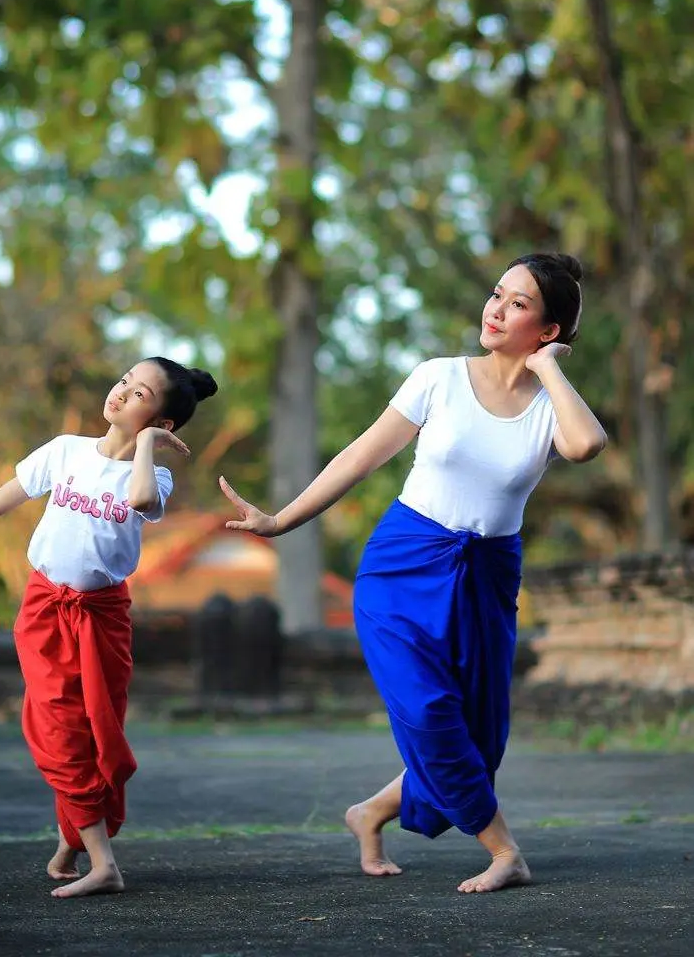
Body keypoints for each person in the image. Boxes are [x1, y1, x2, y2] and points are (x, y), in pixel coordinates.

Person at [220, 253, 606, 894]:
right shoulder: (439, 378)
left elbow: (586, 446)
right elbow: (359, 458)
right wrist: (282, 521)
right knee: (429, 713)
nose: (495, 308)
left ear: (548, 330)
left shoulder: (550, 408)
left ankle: (369, 813)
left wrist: (546, 370)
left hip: (487, 576)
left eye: (517, 304)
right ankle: (505, 850)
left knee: (478, 736)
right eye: (496, 294)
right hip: (403, 565)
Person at [0, 356, 218, 899]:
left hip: (103, 617)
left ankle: (73, 840)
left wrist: (143, 446)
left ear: (163, 425)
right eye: (123, 382)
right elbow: (0, 500)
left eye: (139, 394)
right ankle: (103, 863)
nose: (120, 393)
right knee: (59, 729)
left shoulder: (153, 474)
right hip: (46, 609)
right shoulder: (65, 450)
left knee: (99, 735)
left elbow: (139, 500)